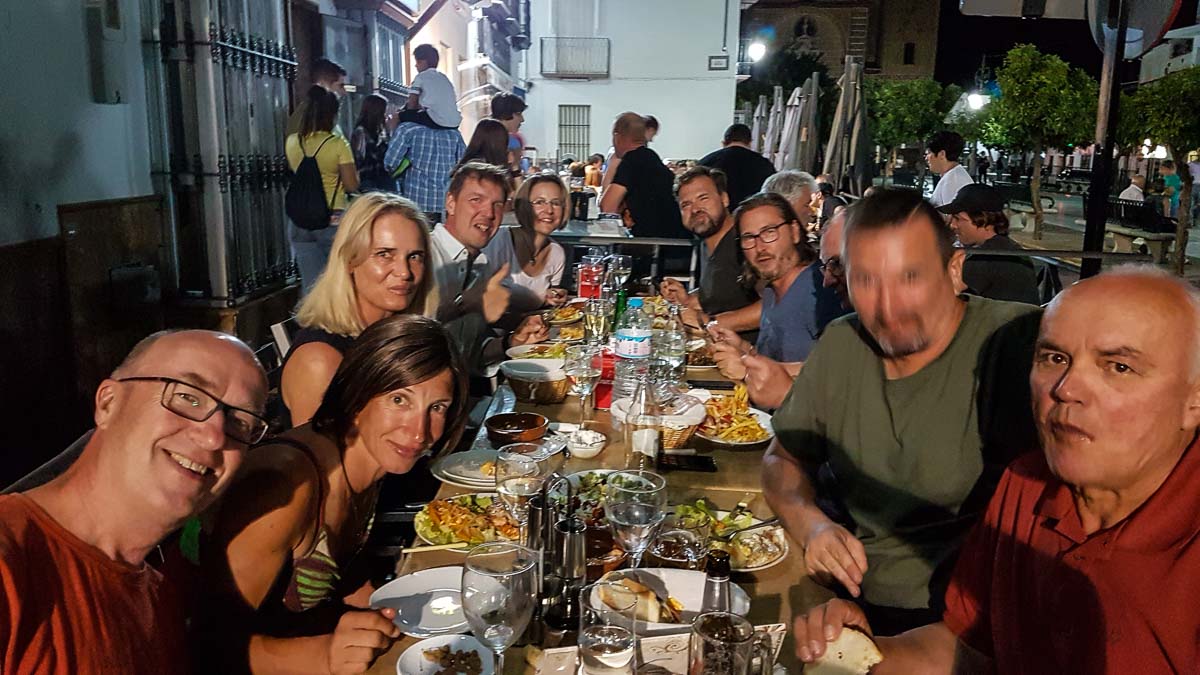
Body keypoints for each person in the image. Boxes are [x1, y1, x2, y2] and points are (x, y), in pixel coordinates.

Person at [794, 266, 1200, 673]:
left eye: (1118, 367)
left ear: (1194, 400)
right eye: (1054, 358)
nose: (1066, 389)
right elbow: (971, 646)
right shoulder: (1026, 483)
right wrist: (863, 653)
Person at [763, 188, 1042, 635]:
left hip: (971, 627)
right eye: (866, 281)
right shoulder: (843, 342)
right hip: (854, 603)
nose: (888, 306)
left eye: (909, 277)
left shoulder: (1017, 341)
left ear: (954, 269)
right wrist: (810, 524)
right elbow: (783, 456)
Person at [197, 315, 470, 674]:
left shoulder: (371, 460)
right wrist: (323, 655)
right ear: (357, 394)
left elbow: (346, 576)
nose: (418, 432)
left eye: (437, 407)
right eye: (399, 399)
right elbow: (208, 647)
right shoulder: (282, 488)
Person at [0, 330, 267, 673]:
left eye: (240, 422)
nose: (214, 437)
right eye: (188, 397)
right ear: (108, 404)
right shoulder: (10, 562)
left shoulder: (159, 600)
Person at [282, 193, 435, 426]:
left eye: (414, 256)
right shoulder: (319, 361)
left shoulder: (393, 338)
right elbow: (318, 450)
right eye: (384, 255)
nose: (404, 272)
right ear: (350, 260)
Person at [430, 162, 548, 368]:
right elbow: (406, 345)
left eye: (497, 204)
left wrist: (511, 343)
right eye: (476, 200)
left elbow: (473, 353)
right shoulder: (423, 255)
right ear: (451, 203)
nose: (489, 213)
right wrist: (463, 305)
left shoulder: (482, 265)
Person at [709, 192, 836, 383]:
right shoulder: (772, 291)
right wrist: (742, 347)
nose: (760, 247)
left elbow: (836, 369)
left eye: (769, 232)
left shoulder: (819, 287)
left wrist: (747, 370)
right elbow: (776, 358)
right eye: (749, 238)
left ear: (794, 232)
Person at [658, 166, 760, 343]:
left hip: (749, 352)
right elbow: (726, 294)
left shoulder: (746, 241)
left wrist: (709, 323)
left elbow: (774, 305)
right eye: (686, 205)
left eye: (703, 198)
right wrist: (688, 299)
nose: (695, 209)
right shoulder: (707, 242)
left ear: (724, 199)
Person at [286, 85, 360, 295]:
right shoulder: (338, 144)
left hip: (299, 219)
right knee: (337, 282)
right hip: (331, 218)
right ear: (333, 114)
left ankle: (311, 315)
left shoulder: (293, 142)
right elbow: (351, 185)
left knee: (310, 283)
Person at [483, 172, 570, 318]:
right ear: (523, 206)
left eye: (556, 203)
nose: (549, 210)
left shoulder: (557, 253)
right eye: (539, 202)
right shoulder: (498, 240)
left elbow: (548, 305)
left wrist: (553, 296)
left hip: (533, 328)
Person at [939, 183, 1040, 305]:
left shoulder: (984, 258)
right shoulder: (1004, 247)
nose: (953, 225)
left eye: (958, 219)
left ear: (984, 220)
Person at [599, 112, 686, 239]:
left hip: (652, 241)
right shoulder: (653, 158)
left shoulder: (631, 160)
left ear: (617, 137)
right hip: (675, 237)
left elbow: (607, 206)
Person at [384, 117, 466, 225]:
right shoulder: (455, 135)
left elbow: (390, 163)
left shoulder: (407, 129)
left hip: (415, 201)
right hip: (444, 203)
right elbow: (462, 167)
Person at [698, 123, 778, 209]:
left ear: (724, 143)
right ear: (750, 143)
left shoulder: (705, 163)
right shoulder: (764, 164)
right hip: (754, 213)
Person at [400, 44, 462, 130]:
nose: (416, 65)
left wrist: (406, 114)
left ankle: (390, 136)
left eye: (417, 62)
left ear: (424, 62)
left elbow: (412, 103)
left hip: (436, 119)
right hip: (454, 122)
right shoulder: (444, 78)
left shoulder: (420, 77)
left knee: (397, 116)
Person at [286, 58, 347, 137]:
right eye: (340, 85)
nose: (344, 92)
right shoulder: (307, 119)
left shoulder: (325, 115)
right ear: (322, 84)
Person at [351, 93, 395, 193]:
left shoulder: (380, 132)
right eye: (384, 111)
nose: (386, 115)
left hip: (382, 179)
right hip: (369, 181)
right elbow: (359, 159)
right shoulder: (361, 132)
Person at [926, 130, 973, 208]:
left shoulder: (952, 181)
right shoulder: (953, 176)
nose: (926, 158)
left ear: (942, 154)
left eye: (929, 153)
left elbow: (951, 214)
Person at [490, 92, 527, 172]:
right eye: (518, 114)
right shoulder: (513, 143)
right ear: (506, 113)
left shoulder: (482, 136)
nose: (522, 119)